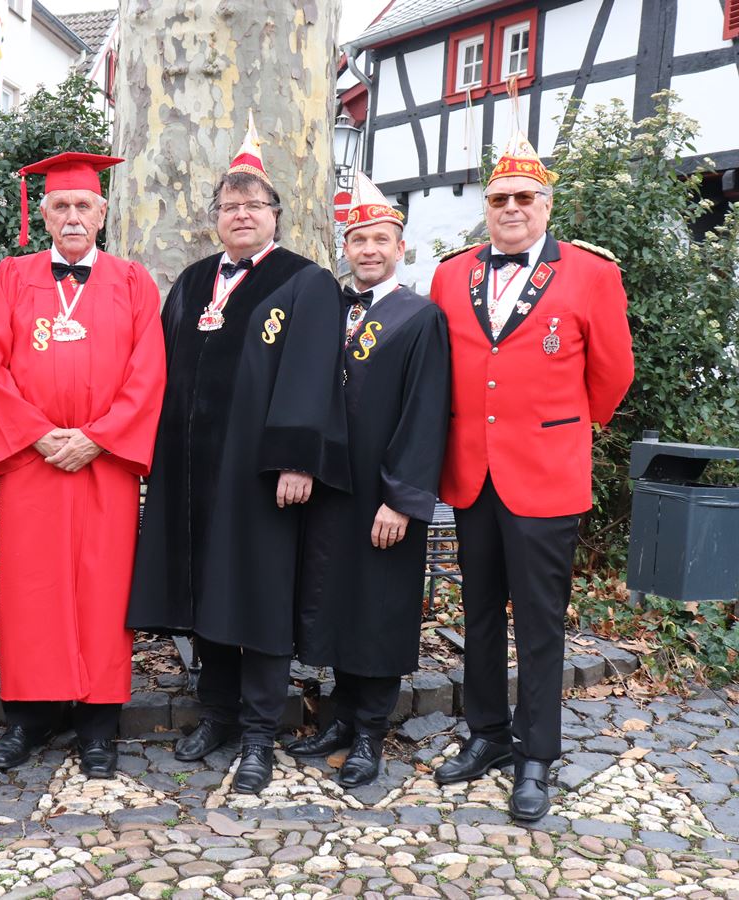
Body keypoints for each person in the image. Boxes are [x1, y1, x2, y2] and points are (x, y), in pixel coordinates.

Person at [127, 115, 350, 794]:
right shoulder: (192, 281)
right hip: (192, 471)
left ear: (276, 214)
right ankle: (217, 714)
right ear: (216, 218)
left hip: (260, 474)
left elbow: (312, 374)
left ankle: (258, 733)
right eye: (230, 206)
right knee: (207, 594)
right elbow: (159, 370)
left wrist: (297, 460)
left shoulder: (306, 282)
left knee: (258, 597)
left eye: (255, 204)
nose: (242, 215)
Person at [429, 133, 633, 820]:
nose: (510, 208)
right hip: (472, 473)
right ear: (486, 207)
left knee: (540, 624)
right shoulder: (451, 275)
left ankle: (536, 755)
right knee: (479, 614)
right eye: (499, 199)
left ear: (546, 205)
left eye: (523, 197)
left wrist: (561, 428)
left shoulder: (590, 273)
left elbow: (612, 374)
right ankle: (486, 735)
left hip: (545, 473)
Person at [0, 152, 165, 777]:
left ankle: (98, 725)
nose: (73, 216)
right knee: (32, 588)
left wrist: (99, 438)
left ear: (102, 214)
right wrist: (38, 435)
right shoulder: (12, 277)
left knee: (104, 589)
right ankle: (29, 717)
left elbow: (149, 371)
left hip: (105, 463)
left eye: (84, 205)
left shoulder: (133, 281)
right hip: (33, 462)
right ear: (44, 215)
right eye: (61, 206)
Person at [288, 172, 450, 787]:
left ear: (399, 247)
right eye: (359, 240)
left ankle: (370, 733)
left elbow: (425, 413)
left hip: (384, 491)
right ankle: (339, 718)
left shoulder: (420, 317)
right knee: (336, 599)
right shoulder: (327, 308)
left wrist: (402, 499)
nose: (369, 250)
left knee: (378, 607)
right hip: (332, 486)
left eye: (381, 239)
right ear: (346, 247)